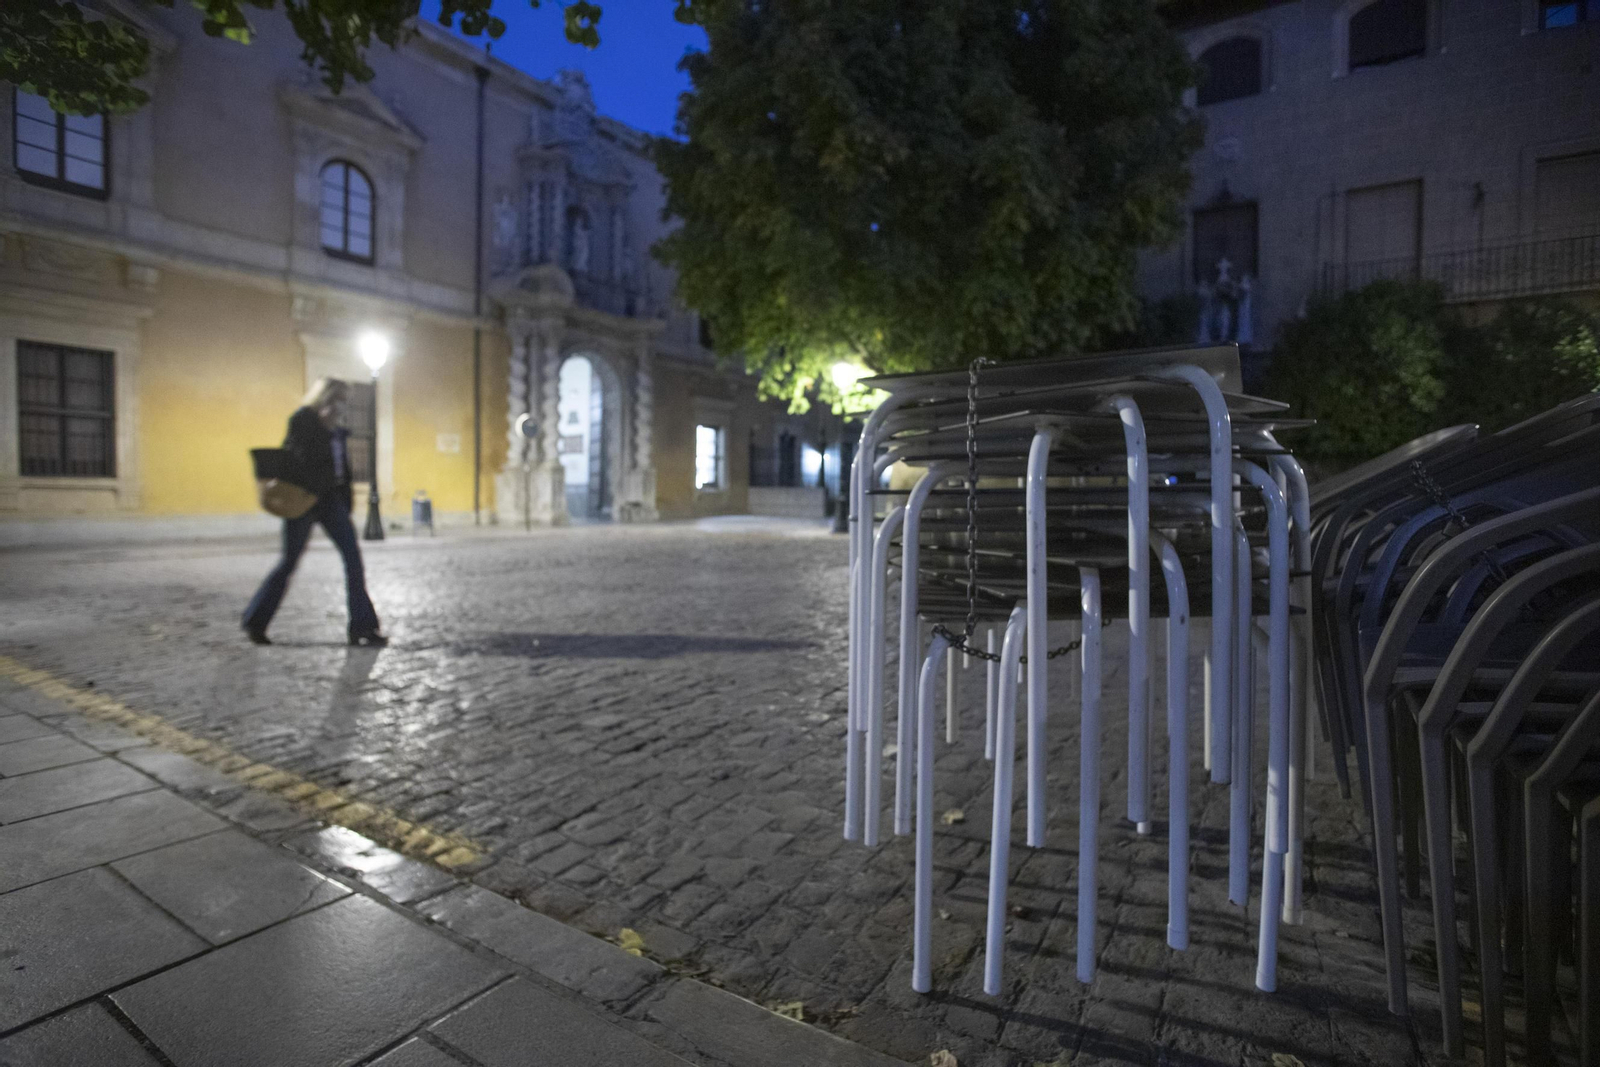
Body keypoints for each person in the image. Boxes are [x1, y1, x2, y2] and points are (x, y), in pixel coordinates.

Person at [243, 378, 387, 647]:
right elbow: (298, 457)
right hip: (304, 497)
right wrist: (323, 427)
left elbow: (341, 467)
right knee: (289, 562)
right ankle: (255, 622)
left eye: (346, 401)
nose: (343, 406)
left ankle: (363, 627)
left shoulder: (337, 428)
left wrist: (345, 502)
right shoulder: (303, 419)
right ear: (327, 397)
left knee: (353, 560)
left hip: (331, 500)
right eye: (340, 399)